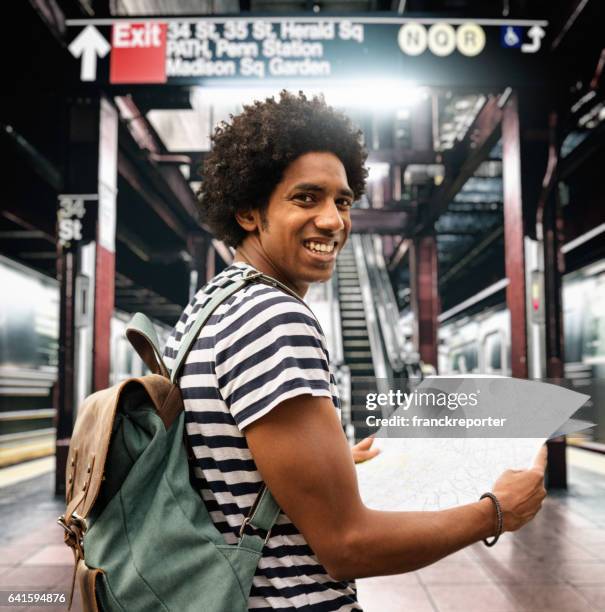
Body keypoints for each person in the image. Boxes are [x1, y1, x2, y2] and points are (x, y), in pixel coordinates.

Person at [163, 91, 547, 611]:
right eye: (306, 198)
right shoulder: (274, 318)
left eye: (342, 201)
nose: (333, 221)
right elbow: (347, 545)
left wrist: (330, 464)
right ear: (249, 210)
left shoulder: (209, 306)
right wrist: (496, 513)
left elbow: (219, 467)